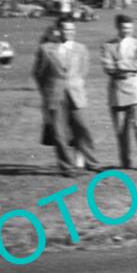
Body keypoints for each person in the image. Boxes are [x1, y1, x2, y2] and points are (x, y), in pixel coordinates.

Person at [32, 17, 100, 177]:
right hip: (55, 96)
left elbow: (83, 70)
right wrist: (48, 92)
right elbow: (38, 74)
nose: (69, 33)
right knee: (59, 133)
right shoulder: (45, 49)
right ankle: (67, 167)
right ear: (58, 30)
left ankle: (92, 163)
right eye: (66, 29)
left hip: (76, 93)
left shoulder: (81, 48)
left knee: (83, 128)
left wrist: (74, 84)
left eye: (72, 30)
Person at [101, 14, 137, 170]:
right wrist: (128, 68)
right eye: (124, 28)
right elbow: (108, 67)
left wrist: (120, 64)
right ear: (117, 27)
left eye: (130, 28)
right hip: (117, 92)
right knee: (121, 129)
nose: (127, 31)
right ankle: (126, 162)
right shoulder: (108, 46)